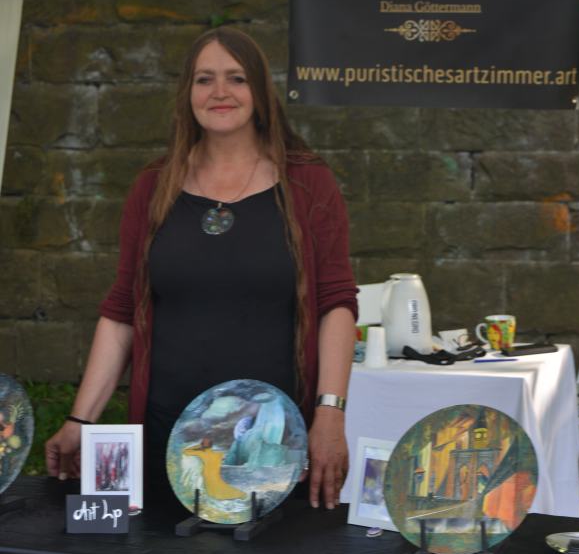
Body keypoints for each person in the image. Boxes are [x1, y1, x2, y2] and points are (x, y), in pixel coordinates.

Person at [45, 27, 357, 509]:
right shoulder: (153, 187)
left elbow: (336, 303)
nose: (219, 92)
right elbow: (123, 309)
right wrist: (80, 419)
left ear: (260, 91)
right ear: (187, 93)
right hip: (168, 439)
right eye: (204, 79)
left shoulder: (308, 183)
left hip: (272, 445)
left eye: (236, 78)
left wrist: (330, 413)